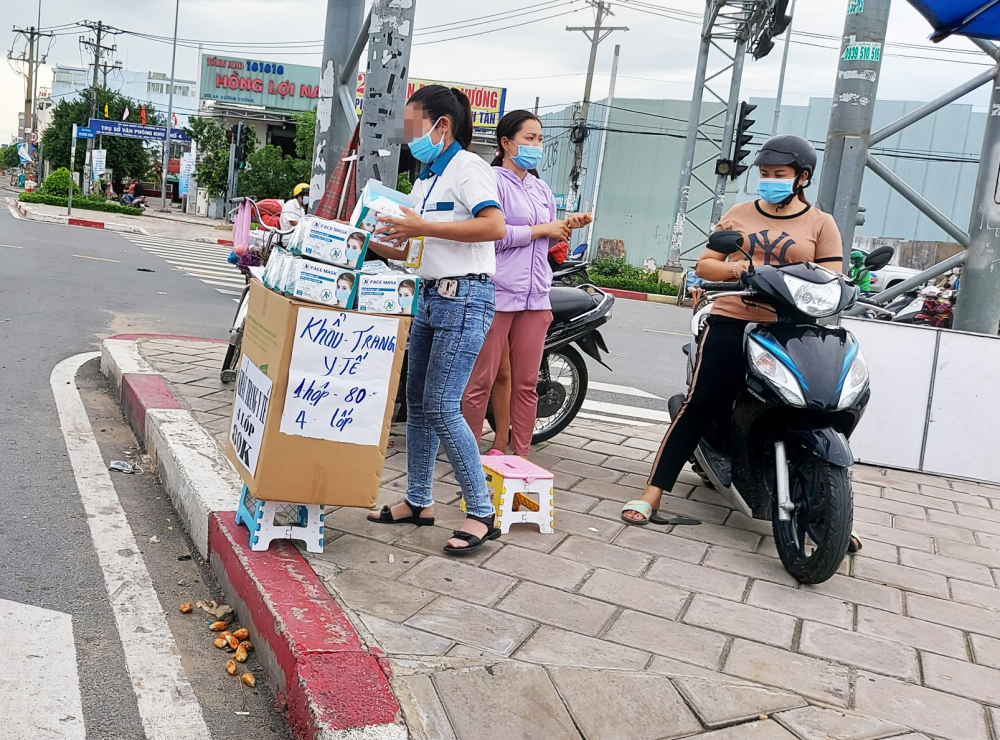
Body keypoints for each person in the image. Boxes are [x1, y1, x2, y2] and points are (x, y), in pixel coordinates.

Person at [620, 135, 844, 525]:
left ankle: (829, 512)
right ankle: (651, 494)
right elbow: (707, 265)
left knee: (812, 409)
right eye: (765, 173)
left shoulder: (821, 223)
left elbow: (832, 277)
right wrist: (741, 270)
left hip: (790, 329)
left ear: (802, 178)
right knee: (701, 403)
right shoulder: (740, 214)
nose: (769, 180)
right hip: (733, 318)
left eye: (780, 174)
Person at [365, 84, 506, 554]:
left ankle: (482, 513)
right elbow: (414, 247)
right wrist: (357, 238)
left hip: (465, 297)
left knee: (444, 405)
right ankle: (418, 501)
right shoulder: (425, 180)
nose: (410, 136)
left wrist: (421, 226)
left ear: (441, 125)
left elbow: (494, 226)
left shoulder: (469, 168)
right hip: (426, 296)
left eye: (413, 124)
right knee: (419, 404)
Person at [462, 109, 592, 456]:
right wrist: (541, 230)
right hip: (498, 293)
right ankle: (468, 455)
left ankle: (519, 457)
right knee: (481, 381)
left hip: (536, 296)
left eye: (539, 139)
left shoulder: (541, 188)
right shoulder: (490, 181)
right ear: (506, 143)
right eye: (529, 138)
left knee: (526, 383)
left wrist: (566, 226)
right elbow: (490, 237)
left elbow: (546, 240)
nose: (536, 145)